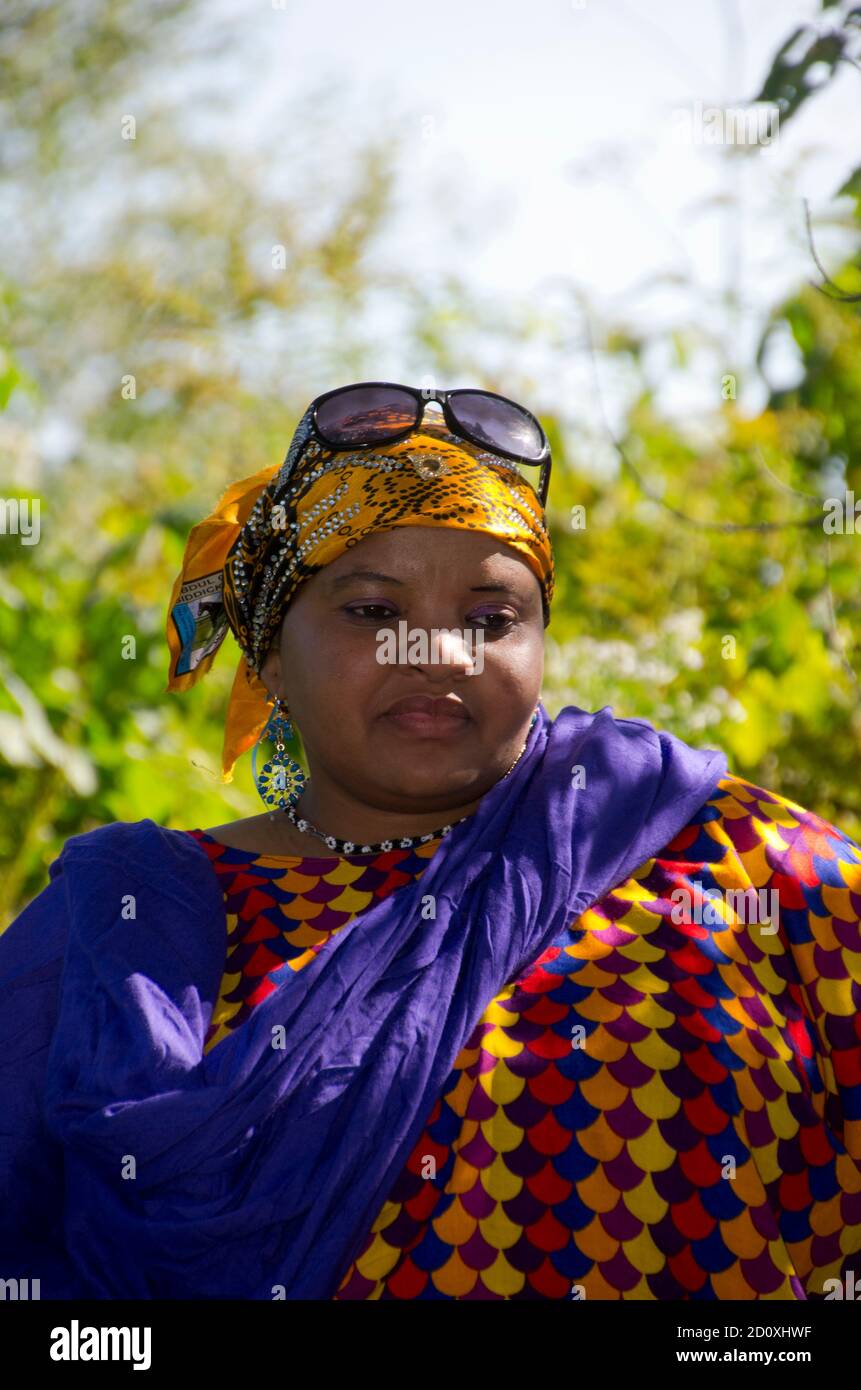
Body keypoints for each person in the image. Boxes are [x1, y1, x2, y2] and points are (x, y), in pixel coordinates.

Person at [1, 381, 860, 1302]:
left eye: (491, 620)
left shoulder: (741, 866)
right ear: (269, 658)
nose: (438, 654)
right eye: (373, 612)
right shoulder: (113, 929)